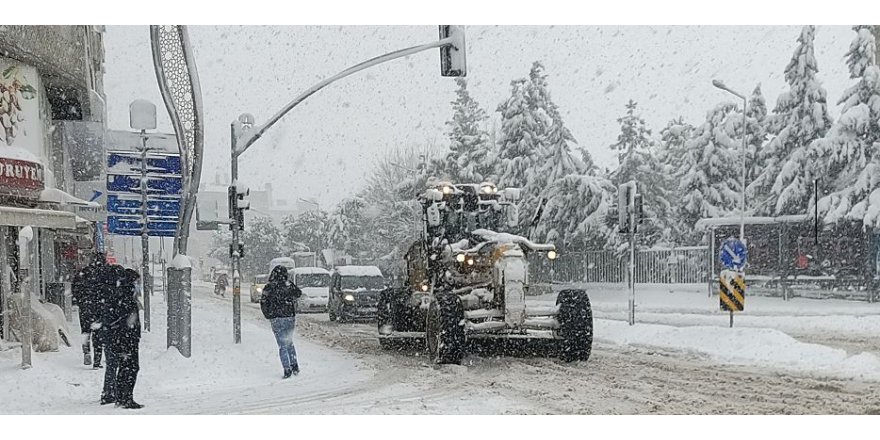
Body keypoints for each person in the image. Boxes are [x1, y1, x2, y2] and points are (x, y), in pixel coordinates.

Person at [260, 265, 302, 379]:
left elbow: (263, 302)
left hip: (276, 318)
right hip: (289, 317)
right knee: (289, 342)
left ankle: (287, 368)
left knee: (282, 345)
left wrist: (268, 314)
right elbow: (298, 293)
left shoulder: (269, 287)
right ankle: (294, 365)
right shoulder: (288, 285)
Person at [113, 268, 143, 409]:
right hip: (127, 338)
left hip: (122, 337)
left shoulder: (121, 293)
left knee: (124, 367)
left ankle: (121, 397)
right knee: (131, 368)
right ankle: (127, 397)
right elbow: (128, 319)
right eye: (137, 281)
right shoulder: (127, 295)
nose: (138, 284)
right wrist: (132, 335)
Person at [72, 252, 106, 368]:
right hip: (99, 308)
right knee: (98, 335)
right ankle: (97, 360)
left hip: (85, 308)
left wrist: (80, 301)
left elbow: (75, 288)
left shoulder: (83, 272)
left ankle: (86, 352)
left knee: (85, 331)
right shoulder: (104, 274)